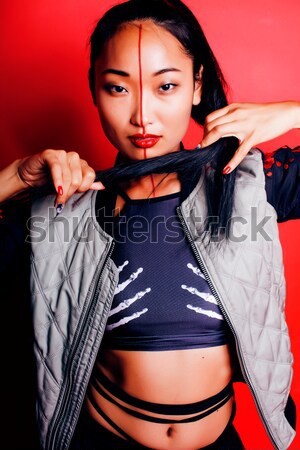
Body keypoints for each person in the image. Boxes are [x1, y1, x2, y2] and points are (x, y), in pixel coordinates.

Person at [0, 0, 299, 449]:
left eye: (167, 86)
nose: (143, 115)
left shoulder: (248, 186)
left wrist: (293, 110)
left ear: (197, 85)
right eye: (118, 89)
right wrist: (14, 178)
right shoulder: (62, 211)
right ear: (94, 90)